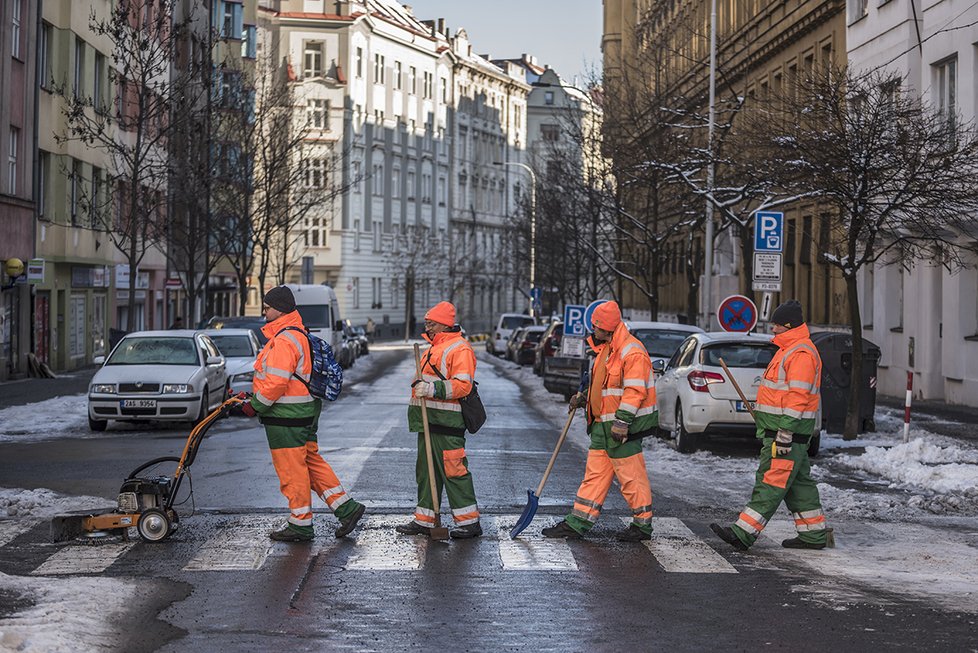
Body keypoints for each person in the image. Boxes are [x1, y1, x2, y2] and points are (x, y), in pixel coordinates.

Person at [240, 285, 366, 542]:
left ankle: (300, 523)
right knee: (310, 462)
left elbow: (276, 382)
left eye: (267, 307)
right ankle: (346, 508)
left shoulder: (285, 339)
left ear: (280, 308)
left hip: (287, 416)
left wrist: (256, 405)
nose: (263, 311)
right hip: (304, 410)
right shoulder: (297, 334)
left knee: (292, 470)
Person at [710, 299, 828, 551]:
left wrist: (785, 431)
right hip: (783, 431)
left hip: (787, 434)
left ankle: (743, 533)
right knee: (799, 485)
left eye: (776, 326)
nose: (772, 330)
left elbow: (798, 398)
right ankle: (813, 534)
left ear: (790, 326)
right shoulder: (790, 350)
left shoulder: (801, 354)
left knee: (770, 482)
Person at [542, 300, 657, 542]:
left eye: (596, 326)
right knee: (594, 476)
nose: (593, 330)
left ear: (606, 327)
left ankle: (642, 525)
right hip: (602, 428)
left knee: (631, 476)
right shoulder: (607, 350)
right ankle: (578, 522)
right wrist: (584, 398)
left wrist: (623, 422)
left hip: (621, 428)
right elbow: (604, 387)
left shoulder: (632, 351)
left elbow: (634, 391)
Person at [396, 301, 482, 539]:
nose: (427, 327)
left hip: (447, 423)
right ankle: (425, 519)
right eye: (426, 323)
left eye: (431, 323)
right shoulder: (434, 347)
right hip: (428, 422)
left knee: (454, 472)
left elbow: (463, 385)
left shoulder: (459, 349)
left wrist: (431, 389)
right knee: (426, 473)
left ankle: (469, 522)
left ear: (444, 324)